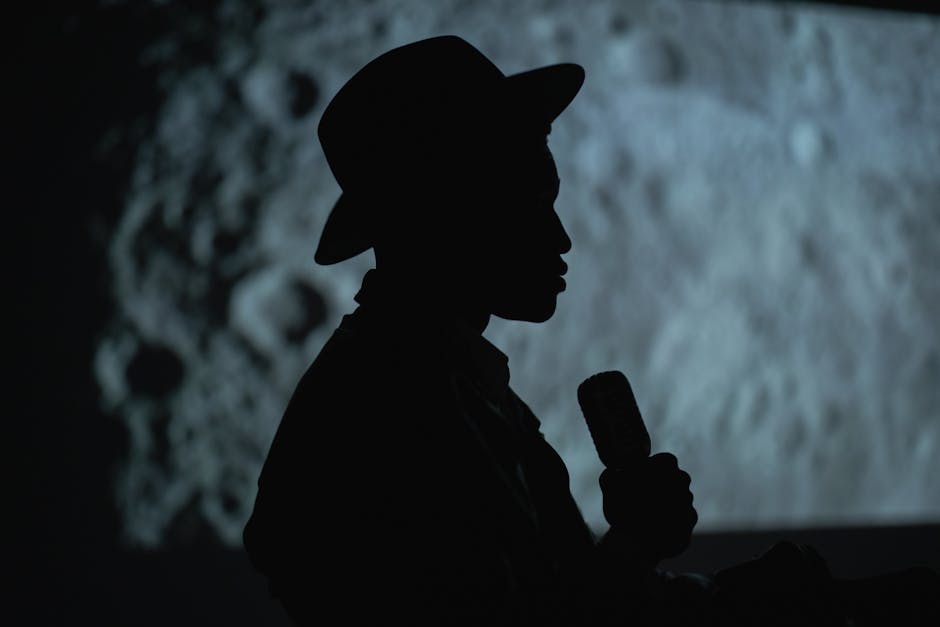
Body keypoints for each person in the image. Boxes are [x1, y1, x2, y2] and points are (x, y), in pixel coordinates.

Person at [243, 35, 937, 626]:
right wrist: (637, 545)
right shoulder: (397, 413)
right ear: (445, 214)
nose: (561, 237)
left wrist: (715, 585)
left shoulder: (431, 382)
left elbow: (559, 599)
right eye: (526, 205)